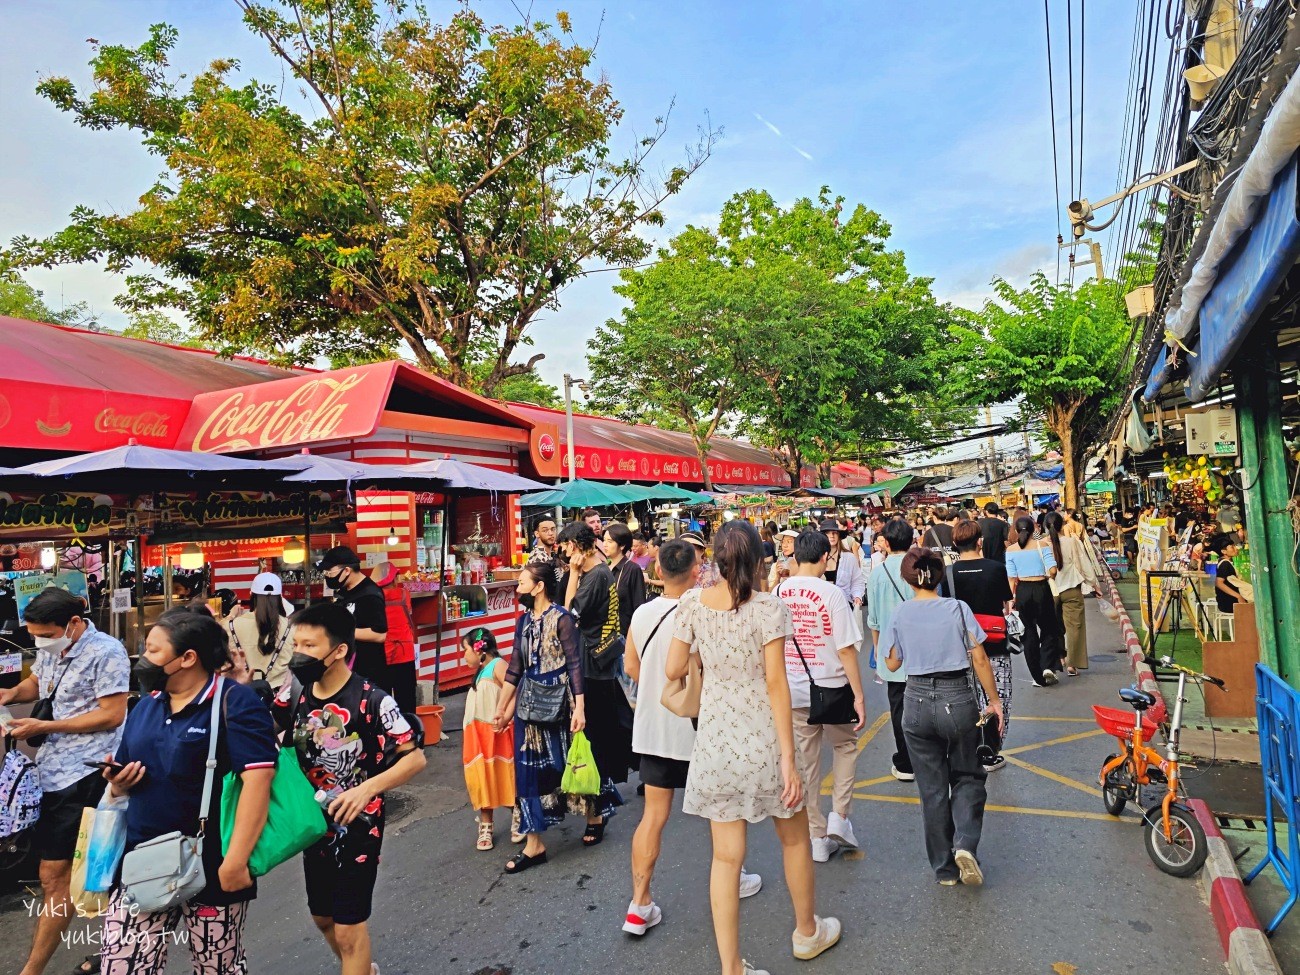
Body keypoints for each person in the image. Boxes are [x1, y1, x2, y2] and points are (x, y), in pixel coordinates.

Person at [666, 521, 841, 975]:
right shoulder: (768, 609)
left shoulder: (692, 605)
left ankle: (731, 969)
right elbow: (776, 684)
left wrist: (706, 656)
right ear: (757, 560)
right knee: (794, 837)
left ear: (716, 559)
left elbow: (671, 668)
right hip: (764, 740)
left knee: (726, 859)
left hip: (716, 742)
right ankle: (807, 932)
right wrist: (789, 758)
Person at [100, 608, 277, 975]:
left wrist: (236, 861)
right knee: (122, 966)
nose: (143, 658)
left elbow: (257, 784)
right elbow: (123, 772)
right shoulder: (145, 705)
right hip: (141, 863)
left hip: (211, 865)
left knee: (217, 967)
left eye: (153, 650)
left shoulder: (235, 703)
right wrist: (118, 782)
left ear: (188, 658)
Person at [278, 602, 427, 975]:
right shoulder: (293, 690)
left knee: (347, 929)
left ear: (339, 649)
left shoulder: (374, 700)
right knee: (322, 918)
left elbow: (414, 758)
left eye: (310, 646)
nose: (300, 653)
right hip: (311, 826)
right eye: (297, 644)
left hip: (360, 827)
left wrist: (366, 790)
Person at [622, 539, 762, 936]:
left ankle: (639, 904)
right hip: (703, 727)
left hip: (655, 726)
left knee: (653, 816)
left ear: (659, 572)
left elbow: (632, 668)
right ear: (697, 570)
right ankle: (733, 876)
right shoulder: (705, 609)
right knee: (722, 812)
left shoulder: (642, 614)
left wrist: (658, 689)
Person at [0, 589, 129, 975]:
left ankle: (35, 968)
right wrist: (11, 693)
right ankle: (115, 948)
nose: (40, 641)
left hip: (88, 773)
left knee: (65, 874)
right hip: (52, 771)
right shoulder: (52, 647)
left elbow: (112, 715)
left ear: (73, 623)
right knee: (62, 873)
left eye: (45, 634)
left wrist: (46, 725)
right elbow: (39, 682)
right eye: (34, 635)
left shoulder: (107, 652)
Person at [880, 547, 1003, 886]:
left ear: (909, 578)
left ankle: (944, 869)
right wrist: (994, 702)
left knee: (932, 789)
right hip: (958, 699)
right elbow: (979, 659)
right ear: (938, 576)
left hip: (916, 702)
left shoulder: (900, 613)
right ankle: (964, 843)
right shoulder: (957, 609)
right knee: (968, 776)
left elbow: (891, 663)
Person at [494, 561, 618, 872]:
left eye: (522, 582)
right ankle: (534, 844)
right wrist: (501, 707)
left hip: (561, 702)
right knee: (529, 773)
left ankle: (594, 815)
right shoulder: (523, 621)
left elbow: (575, 664)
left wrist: (580, 707)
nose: (518, 587)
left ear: (539, 587)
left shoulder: (561, 619)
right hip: (530, 705)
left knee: (573, 761)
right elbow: (514, 666)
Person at [774, 531, 866, 863]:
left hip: (794, 690)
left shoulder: (779, 591)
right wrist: (858, 695)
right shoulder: (831, 593)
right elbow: (845, 649)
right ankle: (840, 815)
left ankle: (816, 837)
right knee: (844, 747)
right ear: (826, 557)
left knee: (807, 763)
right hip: (833, 688)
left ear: (796, 555)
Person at [559, 523, 631, 842]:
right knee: (590, 738)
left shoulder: (596, 575)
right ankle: (595, 806)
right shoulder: (595, 573)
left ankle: (598, 814)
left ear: (577, 546)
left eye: (565, 548)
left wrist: (573, 575)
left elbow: (568, 614)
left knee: (594, 740)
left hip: (594, 666)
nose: (562, 555)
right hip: (587, 663)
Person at [942, 521, 1014, 772]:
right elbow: (1006, 604)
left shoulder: (949, 573)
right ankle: (991, 751)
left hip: (960, 648)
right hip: (993, 643)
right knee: (998, 700)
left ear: (955, 545)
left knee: (968, 700)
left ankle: (971, 749)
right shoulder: (996, 568)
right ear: (979, 542)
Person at [867, 518, 918, 782]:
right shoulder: (919, 568)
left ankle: (906, 762)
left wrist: (876, 651)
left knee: (898, 708)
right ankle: (928, 757)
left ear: (885, 542)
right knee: (923, 704)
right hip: (921, 651)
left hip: (892, 654)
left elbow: (874, 620)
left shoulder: (877, 574)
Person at [460, 626, 518, 851]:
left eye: (465, 650)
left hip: (496, 733)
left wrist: (505, 716)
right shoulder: (481, 671)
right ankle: (486, 824)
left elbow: (515, 690)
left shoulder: (498, 665)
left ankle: (518, 815)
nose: (463, 655)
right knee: (481, 777)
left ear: (479, 650)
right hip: (477, 736)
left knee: (504, 775)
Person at [317, 545, 388, 686]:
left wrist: (342, 631)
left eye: (329, 572)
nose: (327, 576)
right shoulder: (346, 591)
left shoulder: (370, 594)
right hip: (348, 669)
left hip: (368, 671)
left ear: (347, 570)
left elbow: (380, 634)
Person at [1006, 516, 1062, 687]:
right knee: (1049, 628)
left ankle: (1037, 677)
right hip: (1041, 589)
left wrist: (1011, 599)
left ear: (1016, 531)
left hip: (1022, 591)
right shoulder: (1042, 545)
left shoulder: (1011, 551)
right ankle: (1047, 666)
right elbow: (1053, 569)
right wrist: (1048, 575)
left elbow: (1011, 577)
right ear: (1034, 530)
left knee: (1028, 634)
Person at [1044, 511, 1098, 677]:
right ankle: (1072, 664)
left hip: (1050, 590)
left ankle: (1059, 658)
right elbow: (1082, 563)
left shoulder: (1042, 545)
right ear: (1062, 525)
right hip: (1071, 589)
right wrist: (1093, 583)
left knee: (1053, 627)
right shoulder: (1071, 542)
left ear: (1045, 526)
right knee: (1075, 627)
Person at [227, 571, 294, 693]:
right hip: (282, 697)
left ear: (251, 595)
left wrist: (231, 616)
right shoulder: (292, 627)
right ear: (280, 597)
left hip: (243, 694)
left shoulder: (231, 626)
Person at [373, 561, 418, 712]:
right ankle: (410, 730)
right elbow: (409, 612)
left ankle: (388, 732)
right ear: (393, 579)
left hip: (383, 652)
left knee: (383, 699)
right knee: (406, 698)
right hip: (405, 651)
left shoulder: (373, 597)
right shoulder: (404, 594)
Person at [603, 522, 648, 635]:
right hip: (604, 635)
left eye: (610, 541)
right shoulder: (603, 568)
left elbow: (639, 607)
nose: (605, 545)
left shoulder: (632, 569)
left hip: (625, 634)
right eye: (604, 540)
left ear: (622, 545)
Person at [819, 520, 864, 611]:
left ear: (839, 535)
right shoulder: (815, 558)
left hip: (844, 606)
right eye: (828, 533)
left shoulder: (849, 557)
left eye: (835, 533)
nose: (832, 536)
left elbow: (857, 581)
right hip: (821, 608)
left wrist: (857, 596)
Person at [1213, 535, 1247, 614]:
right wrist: (1238, 596)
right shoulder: (1225, 564)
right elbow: (1219, 583)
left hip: (1229, 601)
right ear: (1224, 551)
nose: (1235, 548)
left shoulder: (1226, 562)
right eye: (1232, 547)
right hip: (1229, 603)